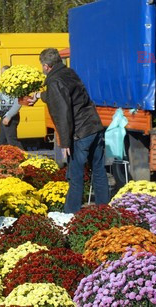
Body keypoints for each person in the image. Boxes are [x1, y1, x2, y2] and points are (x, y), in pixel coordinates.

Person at [28, 48, 110, 213]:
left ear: (46, 66)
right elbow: (63, 96)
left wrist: (65, 142)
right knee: (99, 169)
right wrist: (38, 96)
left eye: (42, 66)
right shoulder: (68, 73)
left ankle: (70, 213)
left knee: (75, 175)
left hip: (80, 132)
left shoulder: (54, 81)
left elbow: (63, 111)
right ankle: (104, 210)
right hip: (94, 125)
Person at [0, 65, 23, 149]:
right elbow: (4, 99)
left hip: (11, 117)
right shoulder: (6, 86)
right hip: (4, 115)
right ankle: (1, 159)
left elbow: (18, 103)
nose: (2, 76)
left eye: (4, 73)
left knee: (12, 141)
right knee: (1, 142)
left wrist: (8, 116)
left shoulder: (15, 87)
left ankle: (23, 157)